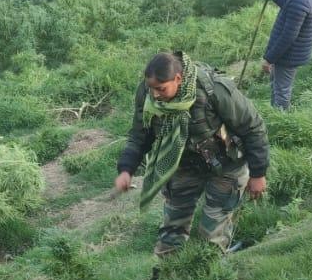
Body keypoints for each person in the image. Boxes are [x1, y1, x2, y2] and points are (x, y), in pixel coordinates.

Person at [113, 51, 269, 259]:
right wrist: (126, 169)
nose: (156, 95)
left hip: (226, 165)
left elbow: (253, 128)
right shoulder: (147, 94)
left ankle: (209, 276)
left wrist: (258, 174)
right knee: (171, 230)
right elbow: (140, 135)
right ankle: (165, 279)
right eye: (152, 89)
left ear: (178, 79)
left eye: (161, 89)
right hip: (182, 164)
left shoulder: (214, 90)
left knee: (211, 232)